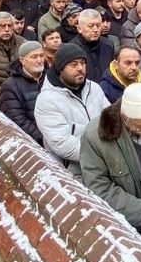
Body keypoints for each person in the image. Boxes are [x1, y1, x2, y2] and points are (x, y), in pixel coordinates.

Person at [79, 83, 141, 249]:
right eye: (140, 126)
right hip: (120, 229)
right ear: (124, 117)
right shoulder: (95, 136)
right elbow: (99, 188)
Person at [34, 43, 111, 175]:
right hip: (74, 172)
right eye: (73, 65)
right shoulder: (47, 101)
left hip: (105, 163)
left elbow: (110, 119)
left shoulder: (94, 88)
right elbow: (62, 143)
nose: (80, 68)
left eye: (82, 63)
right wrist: (101, 155)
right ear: (60, 69)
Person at [0, 41, 47, 144]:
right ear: (22, 60)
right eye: (34, 57)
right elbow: (18, 120)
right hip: (36, 143)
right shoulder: (10, 86)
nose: (39, 60)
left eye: (41, 56)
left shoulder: (51, 78)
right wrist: (43, 139)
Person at [75, 9, 116, 76]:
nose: (96, 30)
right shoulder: (72, 49)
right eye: (91, 26)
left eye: (98, 25)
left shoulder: (109, 45)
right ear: (79, 28)